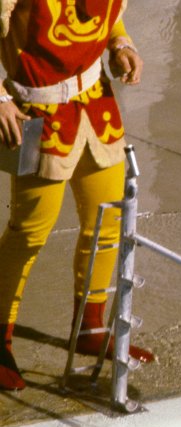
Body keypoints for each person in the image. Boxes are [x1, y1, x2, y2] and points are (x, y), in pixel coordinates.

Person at [0, 0, 154, 392]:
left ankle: (91, 328)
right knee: (30, 233)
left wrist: (121, 46)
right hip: (38, 115)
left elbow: (112, 19)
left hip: (95, 107)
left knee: (108, 219)